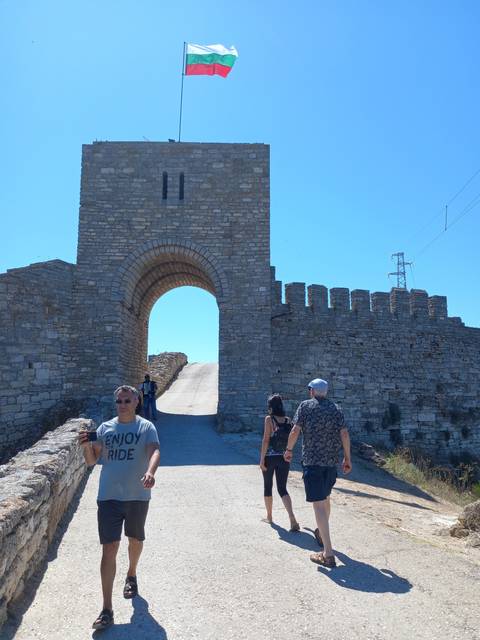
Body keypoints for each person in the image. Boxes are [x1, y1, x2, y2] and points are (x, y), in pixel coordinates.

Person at [79, 384, 160, 630]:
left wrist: (150, 471)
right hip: (109, 497)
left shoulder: (146, 427)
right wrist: (85, 446)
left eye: (127, 400)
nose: (122, 404)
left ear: (136, 402)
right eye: (119, 401)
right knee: (109, 548)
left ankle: (132, 574)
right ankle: (106, 609)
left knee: (135, 540)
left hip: (137, 495)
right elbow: (93, 461)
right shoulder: (105, 428)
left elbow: (154, 450)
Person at [284, 378, 352, 568]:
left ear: (312, 391)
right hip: (331, 463)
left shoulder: (305, 406)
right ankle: (321, 534)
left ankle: (328, 554)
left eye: (309, 389)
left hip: (313, 462)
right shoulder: (336, 409)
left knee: (319, 505)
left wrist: (288, 450)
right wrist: (347, 458)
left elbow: (296, 430)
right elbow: (345, 434)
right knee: (326, 498)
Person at [259, 394, 299, 531]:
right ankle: (292, 517)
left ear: (270, 407)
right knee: (282, 488)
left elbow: (265, 440)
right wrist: (289, 452)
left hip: (269, 458)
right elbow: (292, 438)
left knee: (268, 486)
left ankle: (269, 516)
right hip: (284, 458)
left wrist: (261, 459)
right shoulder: (288, 420)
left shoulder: (269, 419)